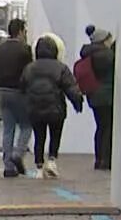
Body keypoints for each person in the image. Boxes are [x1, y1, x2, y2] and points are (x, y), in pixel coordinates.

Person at [22, 35, 84, 179]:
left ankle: (38, 167)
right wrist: (77, 101)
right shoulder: (61, 67)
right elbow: (70, 87)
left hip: (35, 108)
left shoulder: (29, 68)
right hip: (55, 108)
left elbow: (22, 85)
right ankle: (51, 160)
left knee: (39, 136)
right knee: (55, 134)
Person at [0, 18, 34, 177]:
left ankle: (8, 166)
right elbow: (29, 73)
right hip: (20, 92)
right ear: (20, 31)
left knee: (8, 129)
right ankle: (17, 154)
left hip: (3, 92)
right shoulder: (25, 50)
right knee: (26, 126)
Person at [83, 25, 117, 170]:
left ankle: (98, 158)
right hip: (107, 95)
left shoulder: (88, 54)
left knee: (100, 127)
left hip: (93, 95)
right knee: (108, 127)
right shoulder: (109, 55)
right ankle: (106, 159)